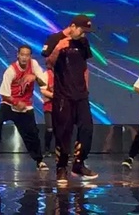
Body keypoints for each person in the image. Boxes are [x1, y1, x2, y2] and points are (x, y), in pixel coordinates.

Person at [41, 14, 98, 183]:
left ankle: (78, 164)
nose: (84, 34)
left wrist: (86, 87)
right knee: (63, 132)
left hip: (81, 95)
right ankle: (61, 167)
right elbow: (49, 63)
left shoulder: (83, 42)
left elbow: (84, 67)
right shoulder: (55, 39)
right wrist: (58, 49)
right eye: (82, 30)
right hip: (63, 95)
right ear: (72, 26)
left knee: (87, 128)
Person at [0, 45, 49, 170]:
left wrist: (35, 77)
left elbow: (44, 82)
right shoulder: (11, 70)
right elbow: (4, 94)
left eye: (27, 55)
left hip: (25, 106)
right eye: (22, 55)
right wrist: (16, 102)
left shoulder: (33, 65)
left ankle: (39, 160)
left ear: (30, 56)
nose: (24, 58)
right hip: (9, 103)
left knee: (32, 134)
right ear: (18, 55)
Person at [41, 69, 54, 156]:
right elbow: (43, 90)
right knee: (49, 128)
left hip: (61, 107)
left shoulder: (64, 73)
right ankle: (47, 148)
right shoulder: (46, 74)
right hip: (49, 106)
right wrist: (53, 95)